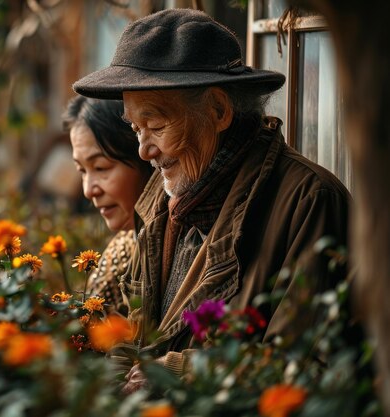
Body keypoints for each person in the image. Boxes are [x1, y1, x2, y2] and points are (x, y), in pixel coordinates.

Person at [72, 8, 351, 392]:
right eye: (136, 128)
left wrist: (182, 372)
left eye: (155, 126)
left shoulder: (309, 201)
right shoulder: (163, 195)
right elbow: (131, 331)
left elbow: (309, 367)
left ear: (219, 111)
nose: (143, 150)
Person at [63, 96, 153, 315]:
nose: (88, 190)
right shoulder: (122, 252)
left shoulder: (169, 248)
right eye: (82, 171)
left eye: (101, 168)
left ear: (145, 157)